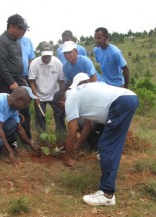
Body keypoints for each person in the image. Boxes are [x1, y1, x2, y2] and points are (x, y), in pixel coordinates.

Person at [53, 73, 139, 206]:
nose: (63, 111)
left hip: (120, 101)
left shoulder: (70, 99)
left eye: (61, 108)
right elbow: (87, 126)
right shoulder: (79, 94)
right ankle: (108, 171)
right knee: (110, 146)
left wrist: (67, 157)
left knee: (106, 147)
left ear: (60, 103)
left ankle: (107, 194)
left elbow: (71, 133)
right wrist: (75, 148)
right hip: (128, 98)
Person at [0, 14, 32, 140]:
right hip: (6, 81)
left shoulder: (16, 41)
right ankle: (10, 140)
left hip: (19, 78)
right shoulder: (1, 41)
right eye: (20, 28)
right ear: (11, 26)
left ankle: (26, 139)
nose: (22, 31)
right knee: (7, 111)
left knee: (25, 107)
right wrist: (11, 82)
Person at [28, 43, 66, 134]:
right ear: (40, 53)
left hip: (55, 94)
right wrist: (35, 96)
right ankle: (42, 139)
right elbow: (32, 81)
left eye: (49, 55)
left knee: (59, 116)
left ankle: (61, 136)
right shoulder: (34, 63)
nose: (47, 58)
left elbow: (61, 81)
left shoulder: (57, 63)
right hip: (39, 95)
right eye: (45, 56)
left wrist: (62, 96)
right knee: (40, 117)